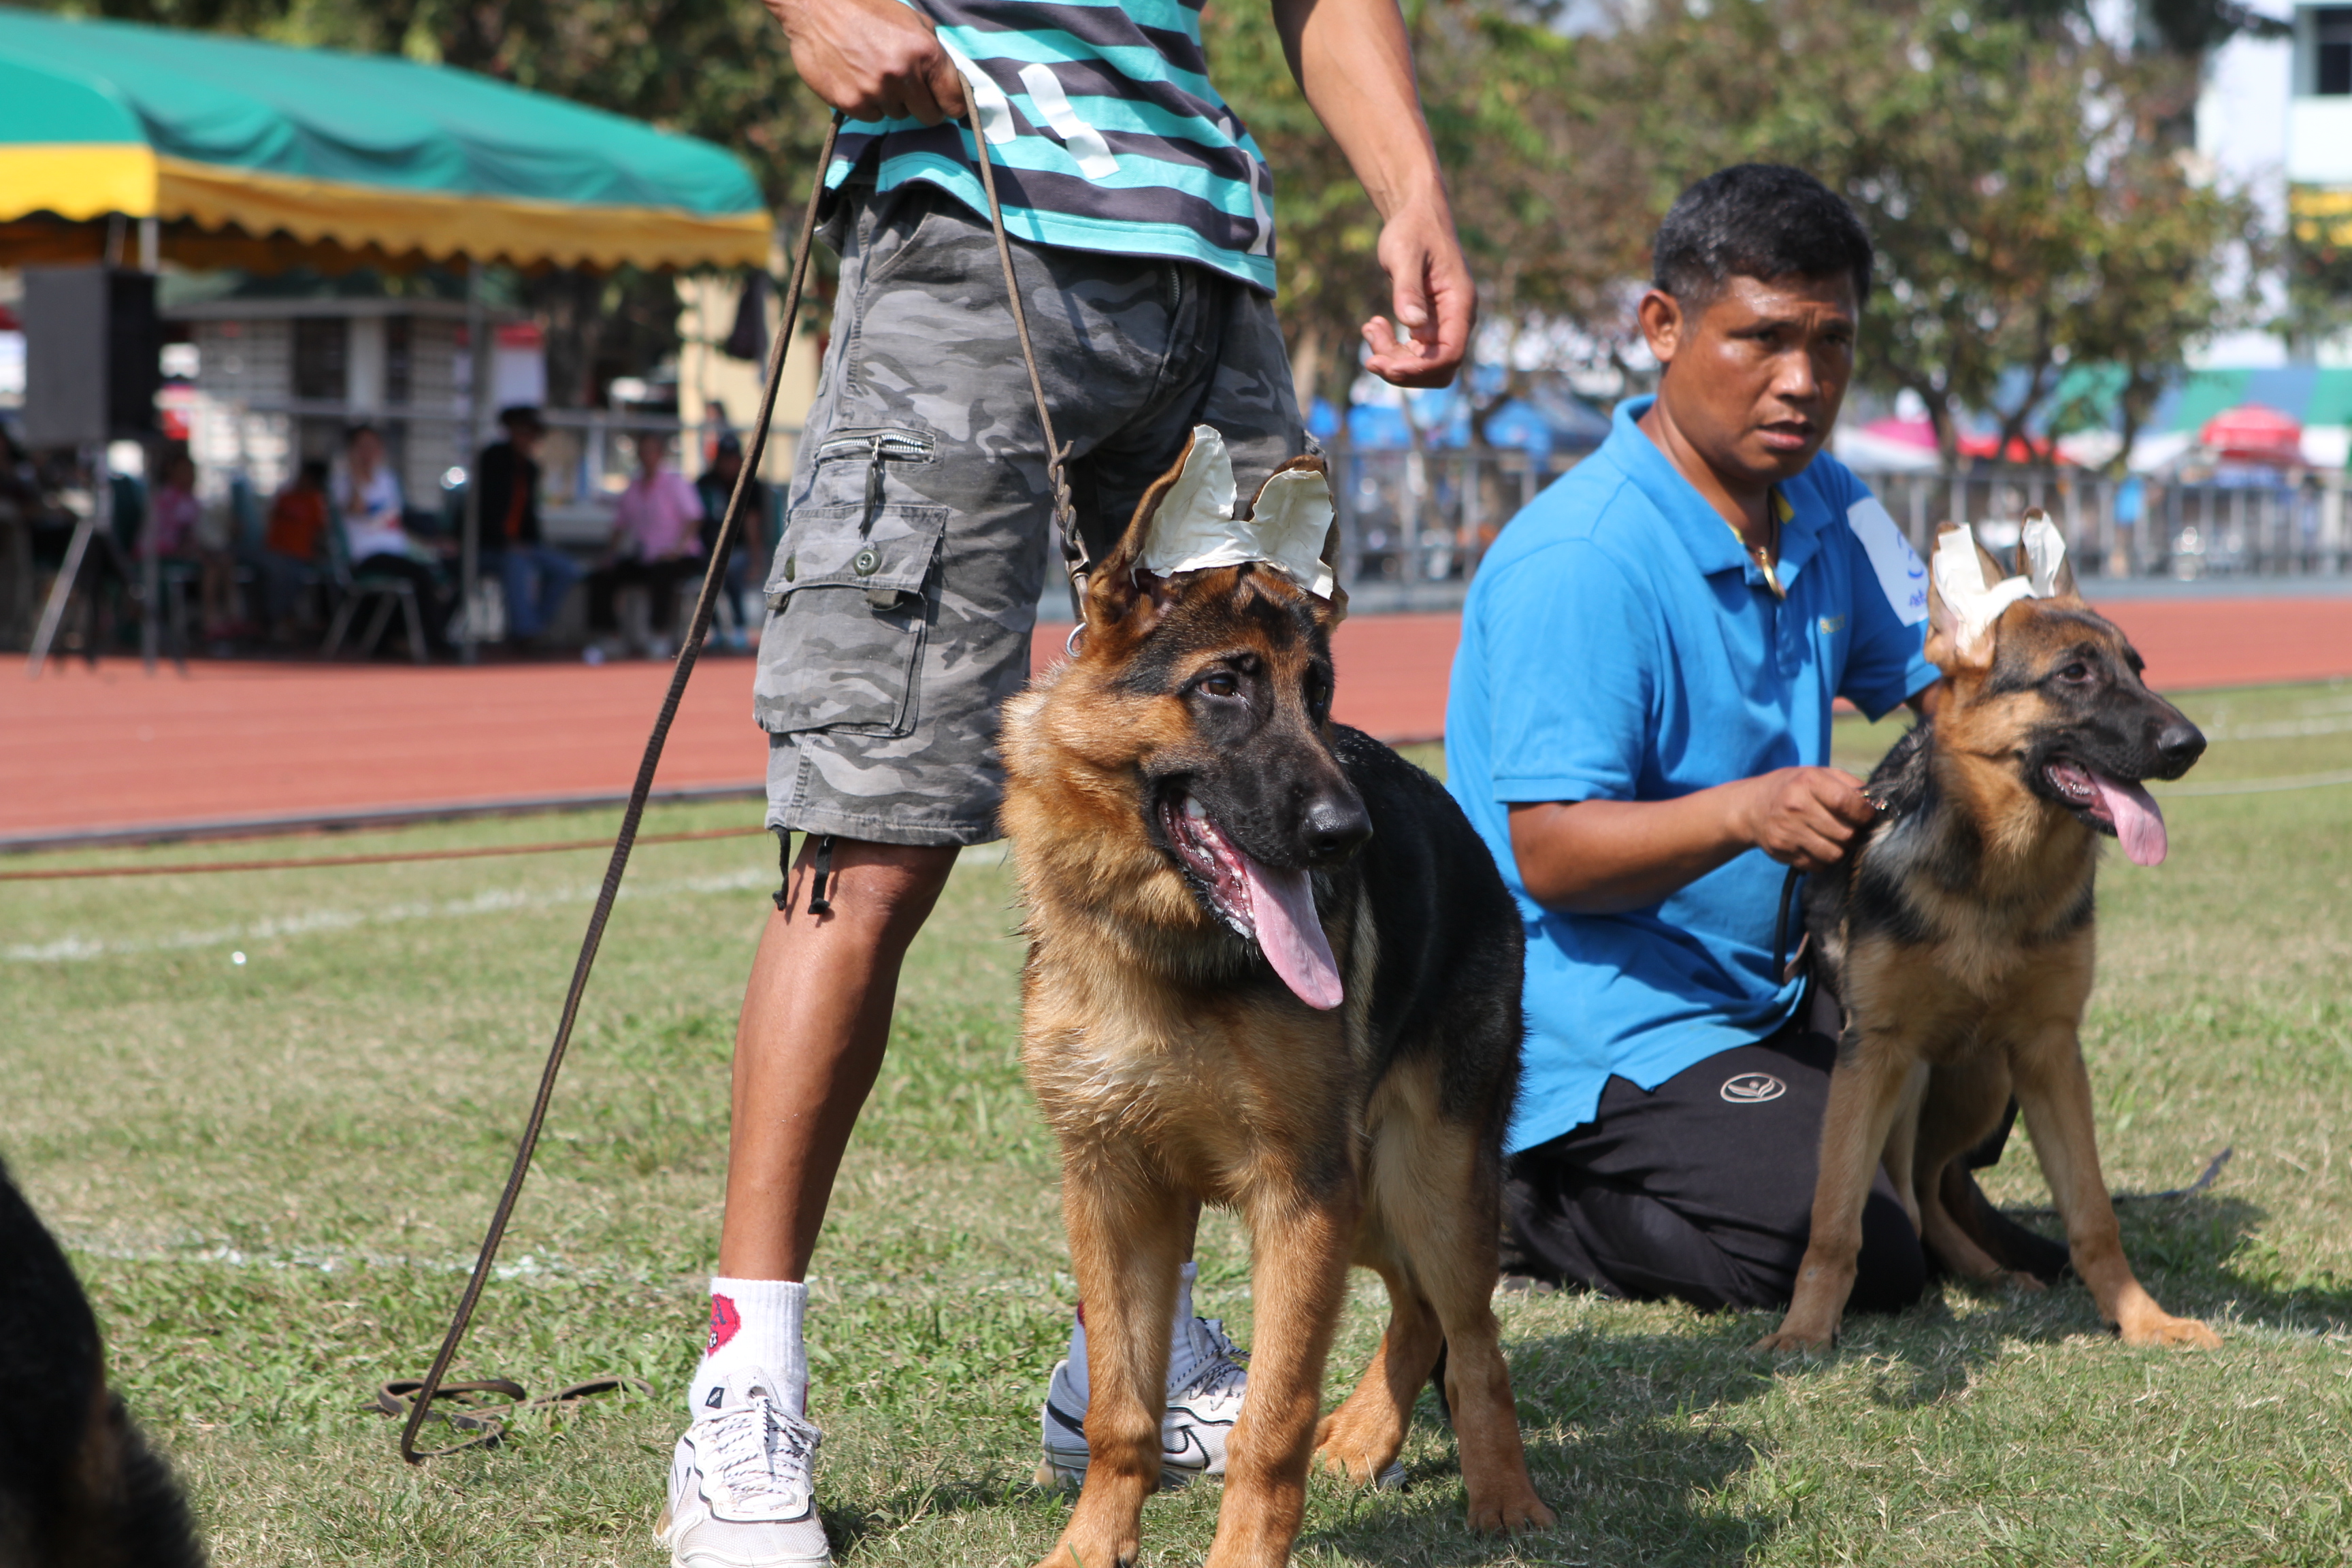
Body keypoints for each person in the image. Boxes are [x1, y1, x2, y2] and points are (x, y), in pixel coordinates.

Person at [655, 1, 1474, 1563]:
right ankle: (744, 1386)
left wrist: (1408, 184)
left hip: (1210, 266)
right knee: (873, 831)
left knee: (1245, 796)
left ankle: (1134, 1356)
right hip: (972, 215)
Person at [1446, 165, 1961, 1318]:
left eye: (1832, 342)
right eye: (1763, 338)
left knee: (1972, 1019)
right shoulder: (1581, 557)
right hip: (1589, 1019)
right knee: (1863, 1254)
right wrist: (1747, 812)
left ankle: (1845, 1151)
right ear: (1662, 326)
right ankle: (1522, 1198)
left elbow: (1946, 690)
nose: (1803, 380)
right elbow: (1551, 857)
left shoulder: (1832, 499)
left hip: (1765, 989)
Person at [331, 425, 451, 653]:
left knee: (447, 568)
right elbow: (356, 509)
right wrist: (357, 475)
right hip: (367, 555)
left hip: (398, 552)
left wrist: (432, 542)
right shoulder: (342, 481)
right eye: (362, 447)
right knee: (419, 574)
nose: (368, 452)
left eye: (373, 447)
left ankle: (415, 635)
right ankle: (433, 641)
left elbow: (400, 519)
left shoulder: (388, 480)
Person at [588, 431, 704, 659]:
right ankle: (611, 635)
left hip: (681, 556)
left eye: (652, 452)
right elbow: (621, 524)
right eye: (643, 452)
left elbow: (694, 518)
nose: (647, 456)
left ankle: (659, 634)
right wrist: (610, 556)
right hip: (646, 557)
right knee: (603, 576)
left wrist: (676, 550)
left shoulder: (675, 482)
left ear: (660, 455)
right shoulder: (634, 486)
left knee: (663, 573)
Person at [476, 406, 583, 644]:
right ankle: (524, 633)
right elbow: (483, 511)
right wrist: (505, 543)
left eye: (532, 434)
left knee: (567, 569)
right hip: (490, 546)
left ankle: (537, 627)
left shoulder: (530, 469)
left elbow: (528, 516)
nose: (528, 440)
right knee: (518, 565)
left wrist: (532, 544)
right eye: (523, 433)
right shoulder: (492, 460)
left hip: (521, 544)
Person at [694, 433, 769, 650]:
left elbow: (753, 524)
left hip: (739, 549)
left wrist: (756, 560)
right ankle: (714, 629)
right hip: (706, 550)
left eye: (732, 458)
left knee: (732, 569)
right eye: (724, 459)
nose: (728, 464)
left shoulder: (749, 484)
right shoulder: (705, 483)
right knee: (705, 574)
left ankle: (739, 626)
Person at [252, 459, 331, 640]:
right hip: (274, 551)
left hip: (299, 556)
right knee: (274, 570)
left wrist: (318, 553)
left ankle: (285, 621)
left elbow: (321, 532)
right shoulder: (285, 497)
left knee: (292, 574)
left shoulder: (316, 500)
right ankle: (271, 622)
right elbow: (269, 524)